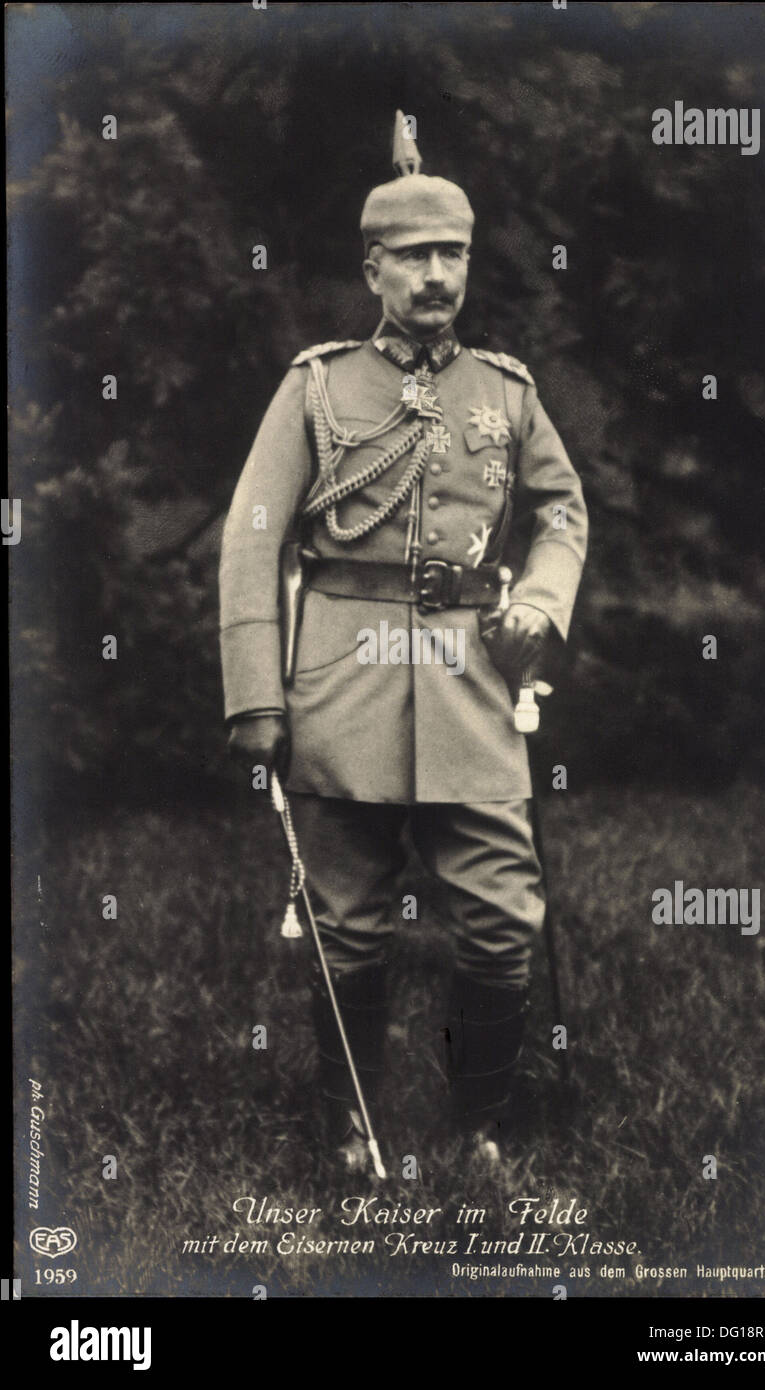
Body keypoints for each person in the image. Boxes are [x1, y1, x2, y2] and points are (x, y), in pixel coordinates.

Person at [219, 113, 588, 1170]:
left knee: (504, 915)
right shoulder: (318, 387)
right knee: (346, 923)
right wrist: (257, 694)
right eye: (414, 256)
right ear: (371, 268)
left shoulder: (506, 392)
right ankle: (350, 1127)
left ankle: (479, 1126)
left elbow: (562, 511)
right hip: (343, 678)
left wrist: (542, 602)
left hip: (472, 677)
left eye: (452, 255)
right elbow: (253, 537)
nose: (436, 276)